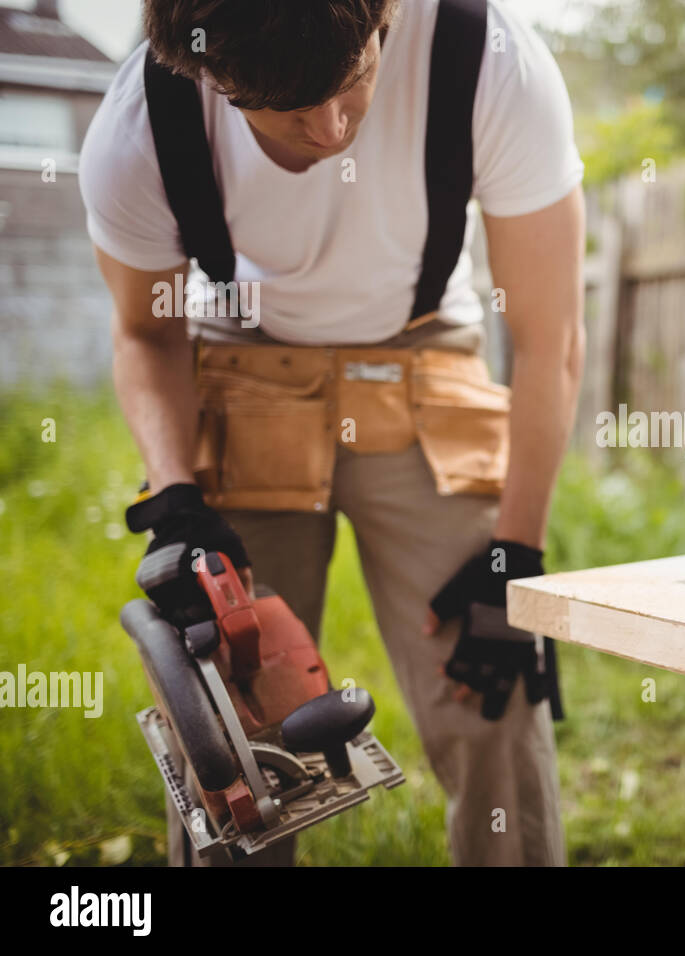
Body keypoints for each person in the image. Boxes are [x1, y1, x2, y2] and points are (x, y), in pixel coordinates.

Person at [80, 0, 585, 866]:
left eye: (351, 83)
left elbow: (551, 338)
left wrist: (516, 554)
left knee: (491, 673)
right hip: (245, 367)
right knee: (231, 706)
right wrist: (176, 500)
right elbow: (146, 332)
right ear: (207, 71)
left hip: (422, 365)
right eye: (285, 108)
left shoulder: (490, 59)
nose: (330, 128)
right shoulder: (140, 124)